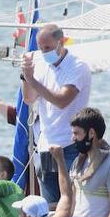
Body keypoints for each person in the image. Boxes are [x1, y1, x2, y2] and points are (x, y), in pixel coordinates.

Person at [21, 23, 91, 205]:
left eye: (48, 48)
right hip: (46, 144)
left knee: (72, 204)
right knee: (51, 206)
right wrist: (25, 77)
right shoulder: (38, 61)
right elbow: (29, 99)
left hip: (71, 145)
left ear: (61, 42)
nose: (44, 52)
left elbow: (61, 101)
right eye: (40, 47)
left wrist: (31, 79)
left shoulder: (77, 66)